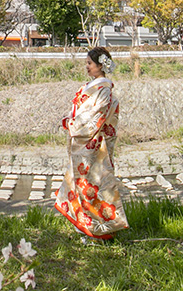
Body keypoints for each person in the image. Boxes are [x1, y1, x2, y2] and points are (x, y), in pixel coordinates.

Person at [55, 45, 130, 240]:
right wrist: (72, 120)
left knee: (94, 183)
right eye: (86, 63)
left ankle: (99, 229)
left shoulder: (104, 89)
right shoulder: (92, 86)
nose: (87, 67)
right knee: (80, 182)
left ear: (100, 65)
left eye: (90, 63)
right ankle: (86, 226)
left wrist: (74, 125)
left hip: (94, 142)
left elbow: (96, 114)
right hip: (84, 140)